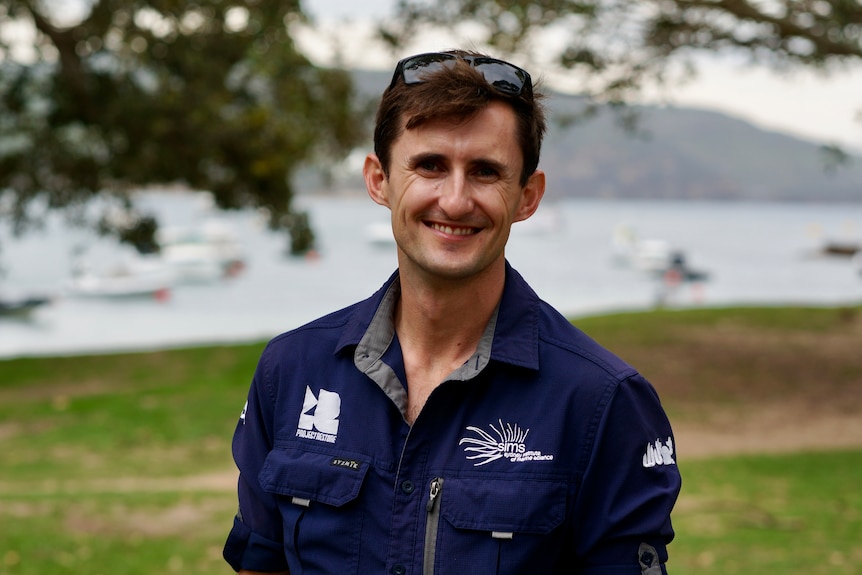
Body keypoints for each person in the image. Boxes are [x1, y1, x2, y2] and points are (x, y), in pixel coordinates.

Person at [223, 50, 681, 575]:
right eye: (430, 166)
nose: (456, 200)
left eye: (485, 171)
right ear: (378, 180)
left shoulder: (603, 402)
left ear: (528, 196)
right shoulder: (290, 370)